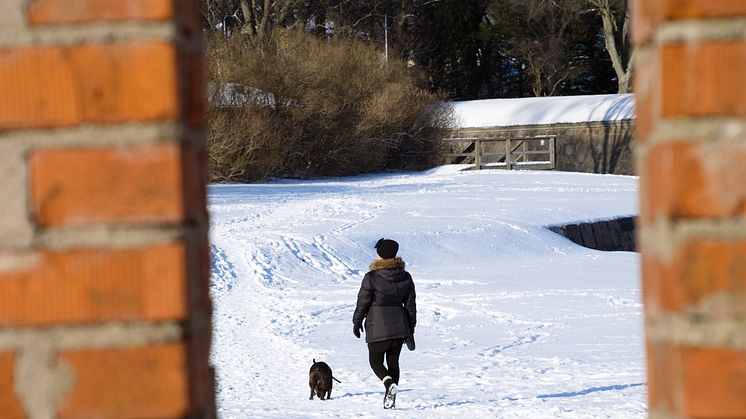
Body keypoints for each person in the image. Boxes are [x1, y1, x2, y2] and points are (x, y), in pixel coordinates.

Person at [353, 238, 416, 409]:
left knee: (375, 362)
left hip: (377, 326)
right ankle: (391, 397)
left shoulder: (371, 277)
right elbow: (411, 306)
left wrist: (357, 321)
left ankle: (388, 384)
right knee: (393, 363)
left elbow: (363, 302)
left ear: (380, 255)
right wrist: (410, 328)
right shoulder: (406, 276)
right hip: (399, 327)